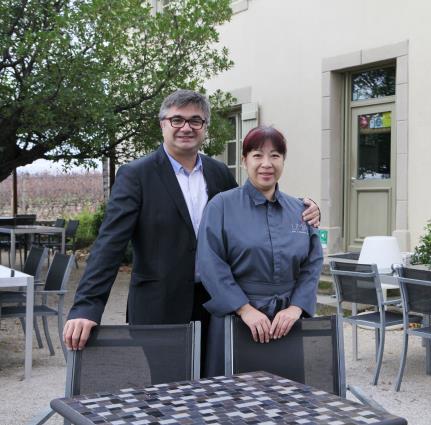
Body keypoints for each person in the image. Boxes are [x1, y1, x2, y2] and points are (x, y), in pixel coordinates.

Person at [63, 90, 320, 357]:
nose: (186, 127)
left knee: (216, 387)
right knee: (165, 392)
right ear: (162, 124)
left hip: (217, 305)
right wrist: (86, 307)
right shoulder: (136, 175)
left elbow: (253, 204)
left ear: (204, 127)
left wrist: (302, 206)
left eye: (195, 121)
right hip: (160, 307)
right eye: (177, 120)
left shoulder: (218, 172)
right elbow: (109, 245)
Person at [197, 126, 323, 376]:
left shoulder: (300, 210)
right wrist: (245, 309)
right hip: (236, 320)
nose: (267, 164)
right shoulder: (221, 206)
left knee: (287, 398)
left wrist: (296, 308)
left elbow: (313, 264)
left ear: (283, 161)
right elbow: (210, 264)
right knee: (232, 400)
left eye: (275, 155)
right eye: (257, 155)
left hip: (287, 323)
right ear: (244, 161)